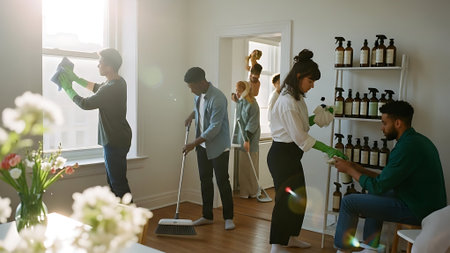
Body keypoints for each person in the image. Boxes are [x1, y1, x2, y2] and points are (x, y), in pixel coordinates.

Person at [333, 101, 447, 253]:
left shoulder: (406, 148)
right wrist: (360, 169)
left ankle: (342, 250)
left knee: (348, 202)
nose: (382, 128)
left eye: (384, 123)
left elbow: (377, 186)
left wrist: (349, 170)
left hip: (418, 210)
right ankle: (370, 248)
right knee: (375, 192)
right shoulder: (417, 141)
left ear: (398, 123)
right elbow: (386, 181)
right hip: (423, 203)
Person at [268, 49, 346, 253]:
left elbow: (301, 125)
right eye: (311, 81)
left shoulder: (297, 99)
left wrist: (318, 117)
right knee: (285, 201)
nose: (313, 85)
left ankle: (291, 238)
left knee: (299, 199)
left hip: (291, 156)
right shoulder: (286, 102)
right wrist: (328, 149)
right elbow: (300, 137)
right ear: (300, 77)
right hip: (282, 156)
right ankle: (276, 246)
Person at [58, 48, 132, 198]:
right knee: (114, 182)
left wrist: (68, 89)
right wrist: (76, 78)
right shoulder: (117, 82)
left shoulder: (111, 88)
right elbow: (98, 88)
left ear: (109, 66)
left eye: (100, 62)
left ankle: (131, 219)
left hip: (115, 140)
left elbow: (86, 104)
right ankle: (119, 218)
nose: (98, 65)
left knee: (117, 184)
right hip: (119, 137)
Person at [182, 67, 235, 230]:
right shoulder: (199, 96)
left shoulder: (218, 98)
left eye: (193, 87)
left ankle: (228, 218)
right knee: (205, 180)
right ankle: (207, 216)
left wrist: (193, 144)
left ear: (202, 82)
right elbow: (201, 109)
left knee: (222, 181)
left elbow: (214, 127)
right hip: (202, 147)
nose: (191, 91)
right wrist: (192, 115)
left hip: (218, 146)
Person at [232, 81, 261, 199]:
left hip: (250, 139)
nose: (237, 92)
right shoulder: (242, 102)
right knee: (243, 166)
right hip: (241, 138)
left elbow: (252, 123)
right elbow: (239, 116)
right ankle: (244, 191)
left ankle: (253, 191)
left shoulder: (253, 104)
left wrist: (247, 139)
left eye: (239, 90)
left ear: (245, 90)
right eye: (236, 90)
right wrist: (236, 100)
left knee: (251, 166)